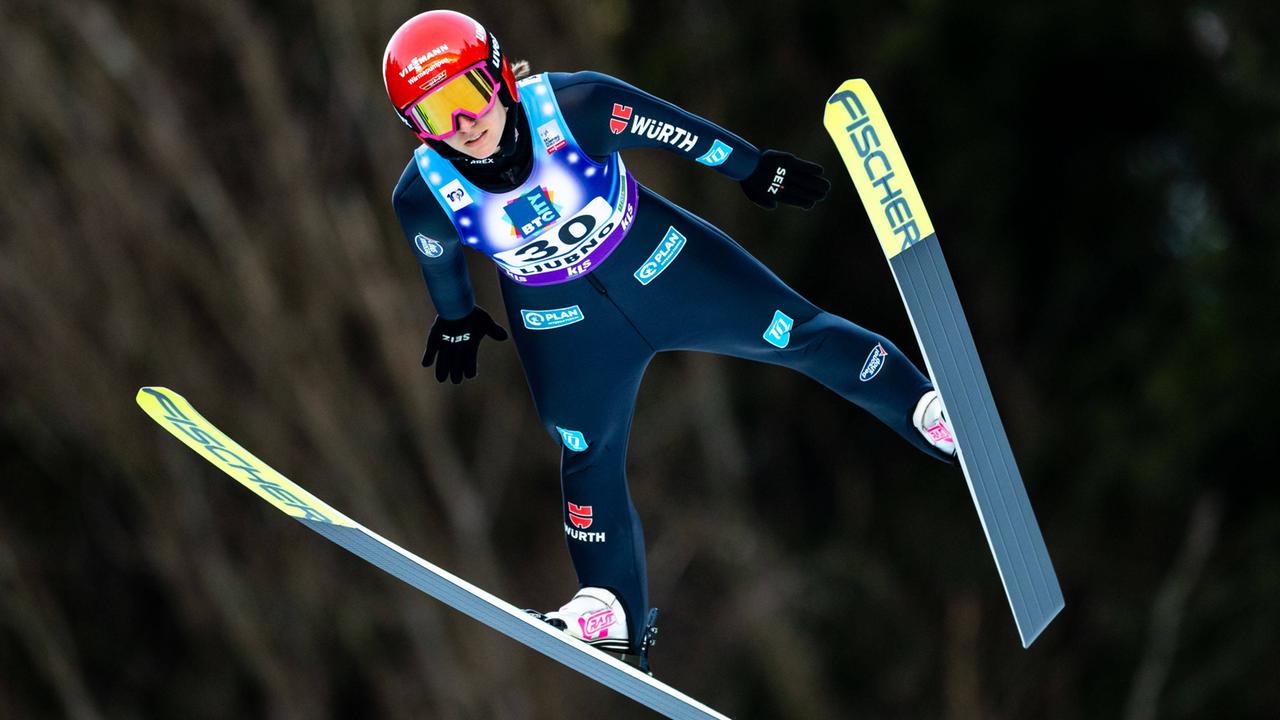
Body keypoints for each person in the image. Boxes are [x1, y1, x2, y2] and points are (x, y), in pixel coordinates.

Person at [384, 9, 955, 662]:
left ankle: (924, 408)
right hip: (562, 322)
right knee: (585, 448)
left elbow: (677, 131)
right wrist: (457, 319)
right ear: (417, 128)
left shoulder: (575, 107)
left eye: (467, 93)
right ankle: (609, 607)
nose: (463, 123)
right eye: (435, 113)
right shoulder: (424, 193)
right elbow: (439, 262)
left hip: (663, 263)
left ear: (498, 76)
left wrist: (752, 168)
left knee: (795, 332)